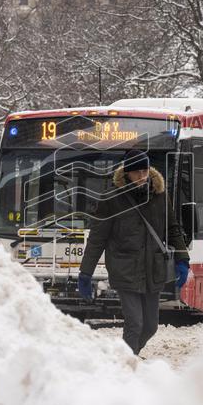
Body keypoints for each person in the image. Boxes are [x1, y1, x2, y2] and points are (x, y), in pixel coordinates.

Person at [78, 150, 190, 355]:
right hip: (125, 269)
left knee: (151, 326)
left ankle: (127, 359)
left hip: (152, 270)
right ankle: (127, 368)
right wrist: (86, 272)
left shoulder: (159, 195)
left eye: (145, 170)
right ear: (127, 173)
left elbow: (172, 228)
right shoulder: (111, 199)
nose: (142, 176)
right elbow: (97, 239)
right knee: (135, 323)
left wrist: (183, 258)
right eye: (136, 172)